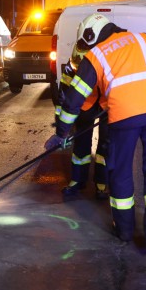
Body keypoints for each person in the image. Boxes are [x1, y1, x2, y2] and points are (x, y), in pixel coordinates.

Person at [45, 13, 146, 252]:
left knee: (121, 170)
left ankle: (125, 230)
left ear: (91, 36)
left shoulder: (96, 54)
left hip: (123, 115)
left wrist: (62, 132)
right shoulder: (143, 39)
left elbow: (74, 99)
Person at [56, 43, 109, 201]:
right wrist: (61, 128)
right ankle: (78, 180)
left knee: (106, 146)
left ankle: (101, 183)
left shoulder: (103, 62)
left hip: (106, 105)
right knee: (80, 145)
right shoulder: (72, 65)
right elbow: (63, 95)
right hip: (84, 106)